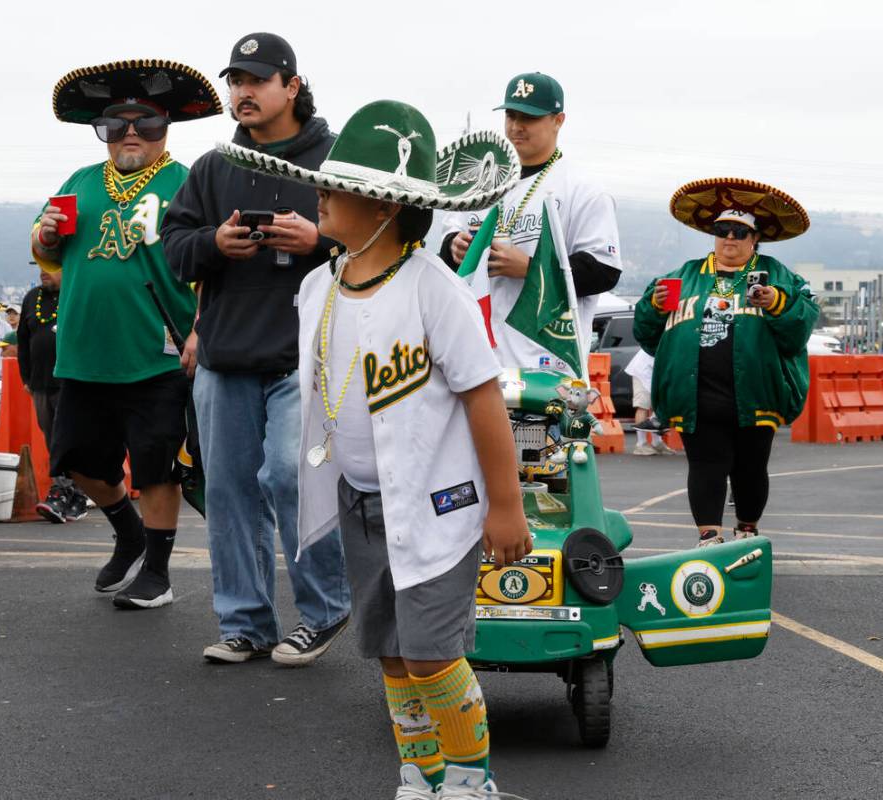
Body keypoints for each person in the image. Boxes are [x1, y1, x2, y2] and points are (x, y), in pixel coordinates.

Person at [223, 98, 529, 799]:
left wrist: (505, 507)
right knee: (391, 656)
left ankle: (470, 780)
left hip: (437, 506)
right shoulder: (316, 288)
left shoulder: (435, 291)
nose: (321, 193)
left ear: (385, 207)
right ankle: (418, 777)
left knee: (429, 655)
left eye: (339, 187)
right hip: (363, 505)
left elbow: (483, 396)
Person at [162, 32, 351, 665]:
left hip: (310, 353)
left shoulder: (336, 160)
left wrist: (319, 241)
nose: (241, 92)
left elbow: (385, 241)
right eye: (234, 81)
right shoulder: (213, 166)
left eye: (255, 80)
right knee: (230, 490)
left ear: (290, 86)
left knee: (292, 477)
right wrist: (214, 243)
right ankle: (245, 623)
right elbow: (174, 247)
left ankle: (325, 610)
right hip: (225, 355)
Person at [31, 58, 221, 609]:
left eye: (147, 124)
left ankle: (157, 572)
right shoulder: (80, 182)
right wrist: (44, 236)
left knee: (157, 464)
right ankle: (128, 532)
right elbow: (48, 253)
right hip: (84, 350)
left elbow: (213, 263)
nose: (131, 133)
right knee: (77, 459)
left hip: (157, 349)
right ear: (103, 133)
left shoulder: (186, 180)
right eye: (117, 125)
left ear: (166, 128)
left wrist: (199, 331)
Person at [634, 179, 818, 548]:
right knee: (706, 466)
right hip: (696, 395)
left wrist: (777, 303)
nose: (729, 238)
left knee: (750, 469)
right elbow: (647, 335)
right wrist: (653, 307)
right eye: (722, 231)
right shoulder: (680, 277)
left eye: (739, 232)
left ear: (754, 240)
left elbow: (799, 332)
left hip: (755, 393)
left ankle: (746, 530)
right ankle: (709, 537)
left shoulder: (779, 275)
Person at [440, 71, 623, 373]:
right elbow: (448, 250)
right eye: (511, 115)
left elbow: (604, 271)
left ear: (558, 120)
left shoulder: (582, 187)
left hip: (545, 361)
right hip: (477, 356)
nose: (516, 127)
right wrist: (453, 248)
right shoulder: (480, 181)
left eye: (529, 117)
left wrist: (530, 268)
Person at [16, 269, 90, 523]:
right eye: (39, 266)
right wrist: (26, 378)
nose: (42, 271)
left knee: (66, 439)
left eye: (50, 267)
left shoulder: (76, 293)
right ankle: (71, 493)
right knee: (51, 439)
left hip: (70, 381)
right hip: (40, 383)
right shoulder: (31, 298)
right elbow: (23, 341)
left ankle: (64, 493)